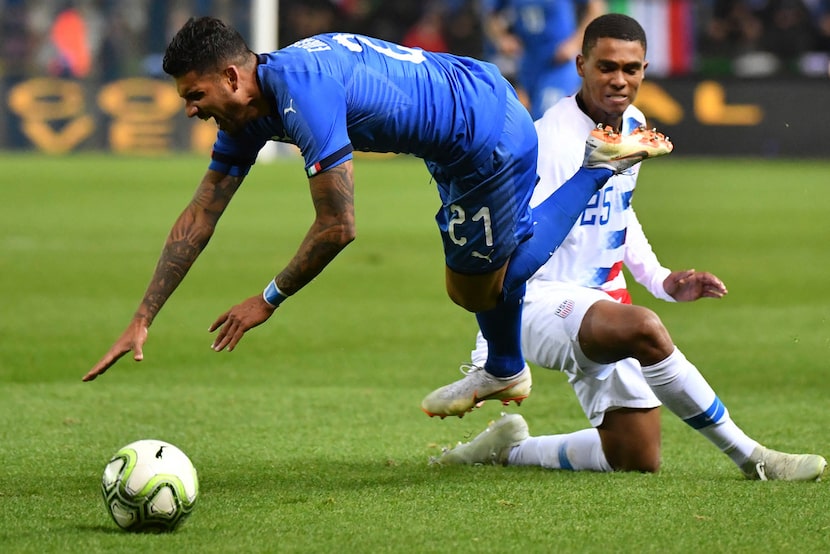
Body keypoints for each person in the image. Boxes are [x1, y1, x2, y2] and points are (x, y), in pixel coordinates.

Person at [81, 17, 672, 386]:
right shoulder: (250, 110)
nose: (189, 108)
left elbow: (338, 226)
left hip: (483, 134)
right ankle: (503, 368)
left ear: (232, 78)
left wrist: (268, 299)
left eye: (195, 94)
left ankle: (596, 167)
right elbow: (200, 215)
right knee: (482, 271)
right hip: (457, 122)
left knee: (475, 285)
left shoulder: (301, 96)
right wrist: (142, 319)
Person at [432, 13, 826, 481]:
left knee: (634, 455)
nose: (619, 80)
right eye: (606, 67)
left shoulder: (633, 124)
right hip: (536, 303)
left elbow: (619, 208)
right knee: (644, 329)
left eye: (631, 68)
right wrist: (492, 354)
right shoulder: (550, 141)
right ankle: (754, 458)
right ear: (581, 65)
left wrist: (660, 279)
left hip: (599, 307)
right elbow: (508, 250)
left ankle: (506, 450)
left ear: (644, 69)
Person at [482, 0, 607, 119]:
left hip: (558, 63)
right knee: (518, 117)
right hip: (527, 62)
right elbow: (490, 15)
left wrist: (576, 42)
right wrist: (501, 38)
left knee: (547, 114)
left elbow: (596, 6)